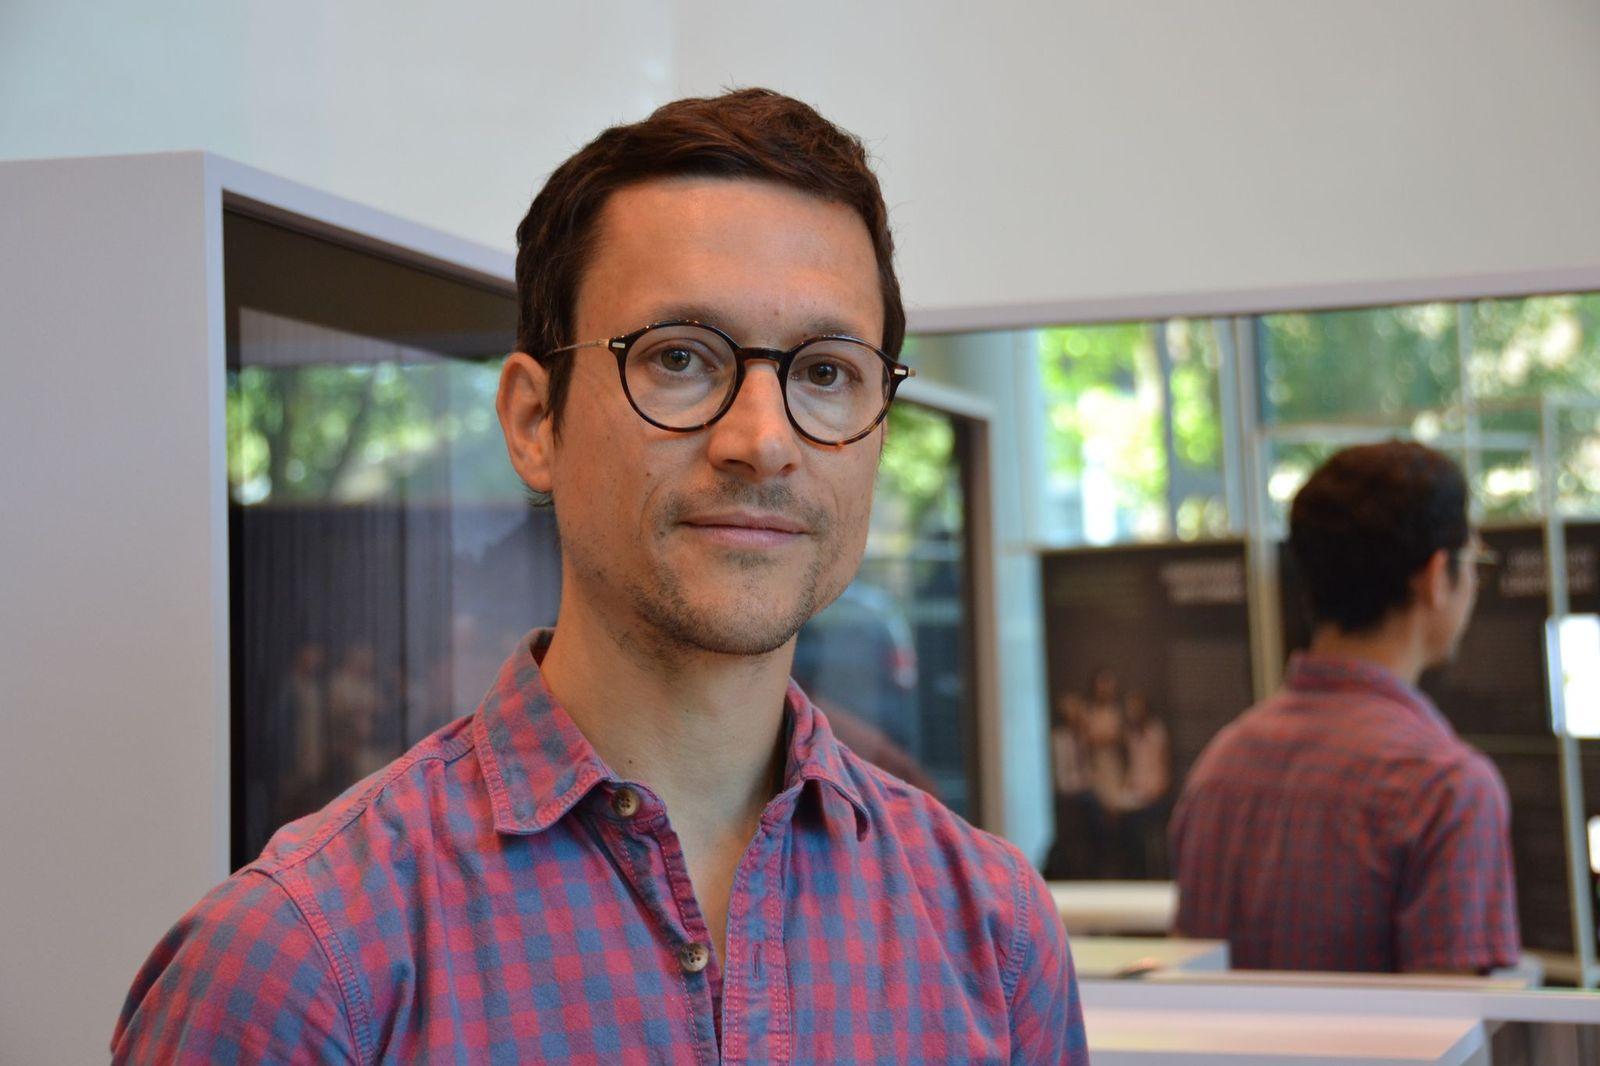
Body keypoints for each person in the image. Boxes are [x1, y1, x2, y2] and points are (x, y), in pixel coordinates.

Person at [112, 89, 1086, 1063]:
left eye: (826, 373)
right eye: (680, 358)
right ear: (535, 422)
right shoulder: (299, 967)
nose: (762, 440)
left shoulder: (995, 936)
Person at [1170, 441, 1519, 973]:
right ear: (1435, 577)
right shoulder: (1447, 789)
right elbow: (1457, 1020)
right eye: (1474, 562)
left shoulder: (1221, 765)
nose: (1474, 583)